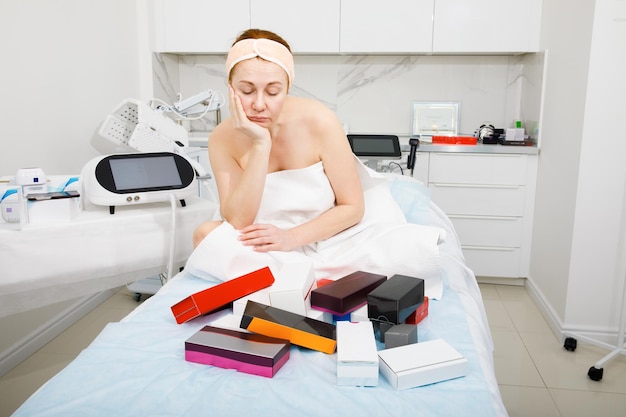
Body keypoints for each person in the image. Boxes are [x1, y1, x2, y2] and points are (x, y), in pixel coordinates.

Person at [186, 29, 444, 299]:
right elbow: (238, 221)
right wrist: (260, 145)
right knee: (206, 235)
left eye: (273, 92)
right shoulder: (222, 138)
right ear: (230, 88)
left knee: (410, 250)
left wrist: (291, 238)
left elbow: (352, 207)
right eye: (246, 91)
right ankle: (306, 280)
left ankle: (295, 280)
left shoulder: (319, 120)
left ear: (287, 87)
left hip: (331, 237)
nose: (259, 104)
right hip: (266, 242)